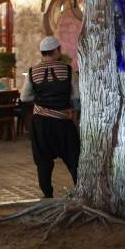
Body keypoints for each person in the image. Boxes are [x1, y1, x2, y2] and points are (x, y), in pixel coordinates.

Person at [20, 36, 80, 198]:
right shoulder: (68, 70)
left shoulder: (33, 71)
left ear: (43, 52)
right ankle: (80, 191)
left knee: (43, 161)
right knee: (74, 159)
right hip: (63, 123)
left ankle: (47, 195)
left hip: (41, 125)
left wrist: (41, 100)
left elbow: (24, 97)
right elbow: (76, 95)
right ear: (56, 51)